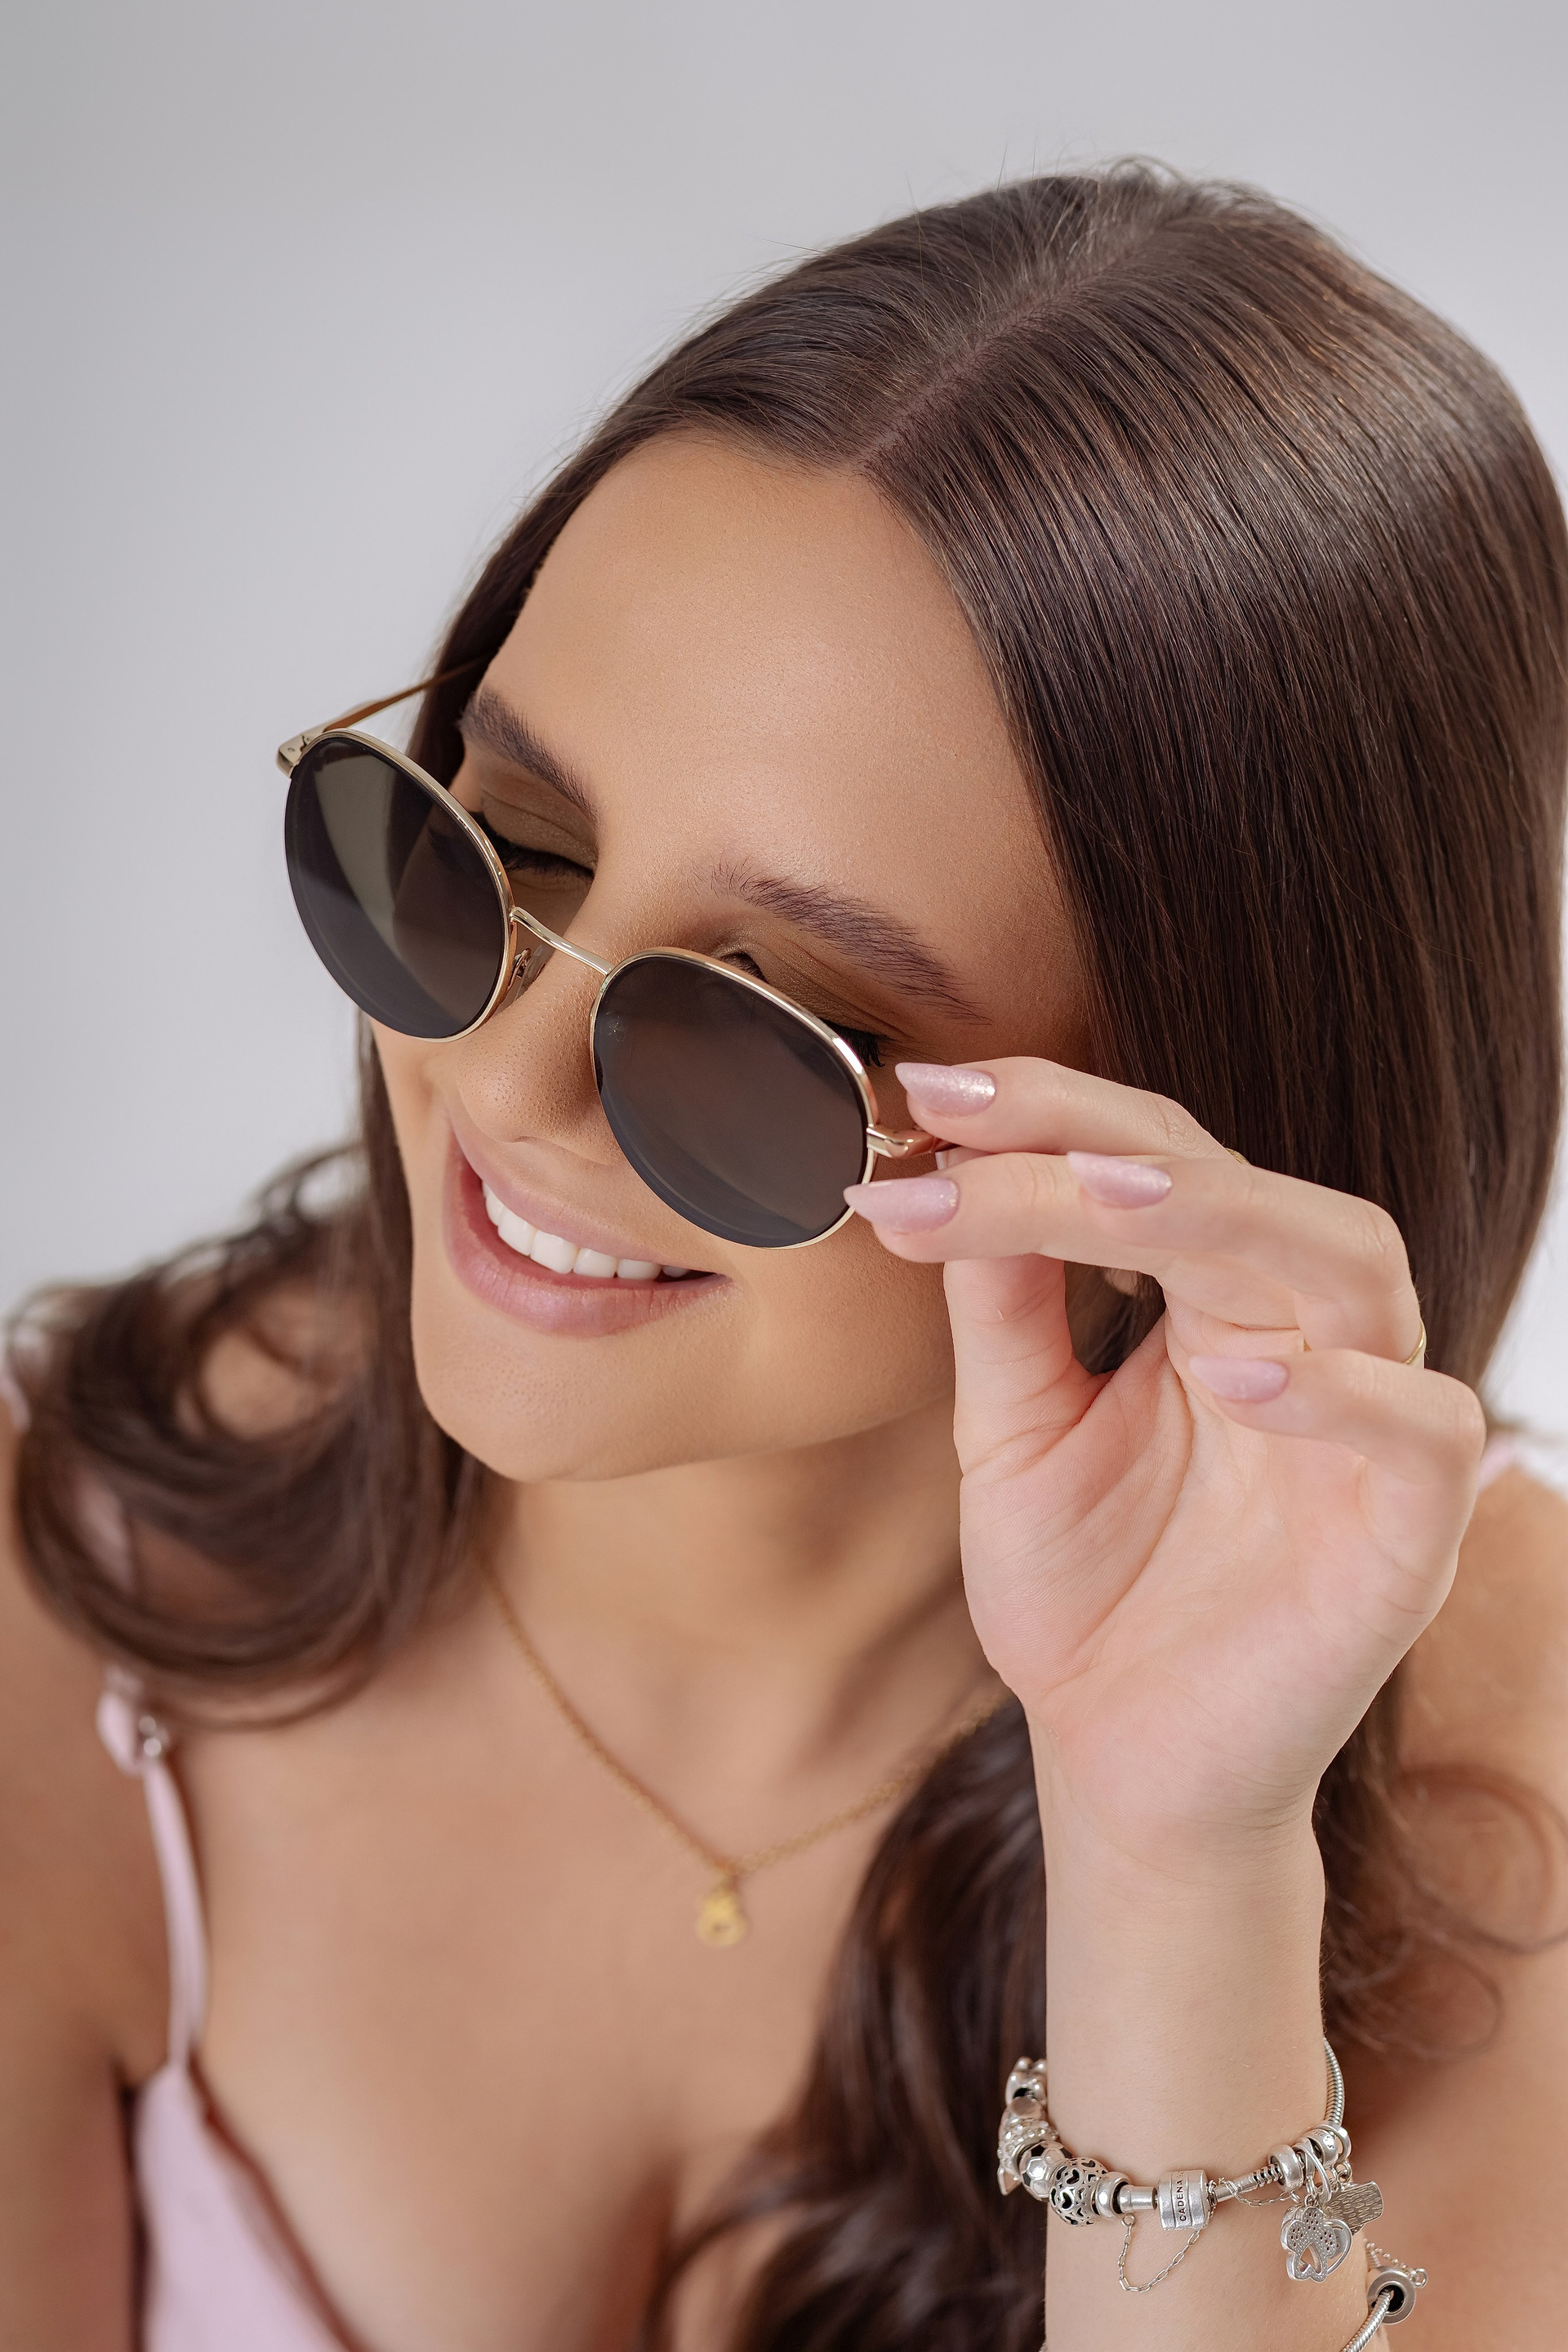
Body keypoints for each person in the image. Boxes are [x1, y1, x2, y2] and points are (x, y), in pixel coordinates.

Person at [3, 165, 1566, 2352]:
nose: (502, 1078)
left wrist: (1180, 1864)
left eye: (770, 1031)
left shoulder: (1520, 1795)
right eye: (495, 849)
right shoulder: (70, 1599)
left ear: (1199, 1127)